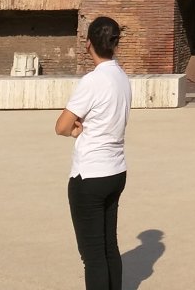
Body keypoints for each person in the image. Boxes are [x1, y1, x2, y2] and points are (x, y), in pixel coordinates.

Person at [56, 16, 132, 290]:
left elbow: (62, 126)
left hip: (90, 176)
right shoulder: (121, 76)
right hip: (116, 170)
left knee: (93, 256)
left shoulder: (93, 80)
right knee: (109, 246)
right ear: (114, 44)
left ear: (88, 44)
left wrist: (76, 130)